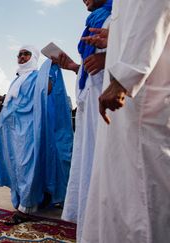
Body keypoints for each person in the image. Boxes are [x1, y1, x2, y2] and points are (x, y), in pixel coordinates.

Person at [80, 1, 170, 242]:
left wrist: (125, 77)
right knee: (122, 186)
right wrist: (114, 37)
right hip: (132, 92)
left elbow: (155, 8)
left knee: (142, 193)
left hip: (142, 94)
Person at [51, 0, 112, 240]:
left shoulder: (120, 17)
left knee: (108, 164)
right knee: (91, 163)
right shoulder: (94, 21)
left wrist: (109, 58)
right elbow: (92, 67)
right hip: (91, 102)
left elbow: (145, 50)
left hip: (113, 104)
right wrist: (74, 67)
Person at [0, 45, 73, 224]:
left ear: (34, 57)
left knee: (26, 166)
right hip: (11, 132)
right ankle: (30, 200)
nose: (22, 57)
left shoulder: (38, 76)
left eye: (26, 54)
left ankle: (26, 208)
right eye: (19, 55)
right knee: (15, 167)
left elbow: (47, 89)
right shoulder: (16, 80)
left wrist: (51, 68)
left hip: (28, 130)